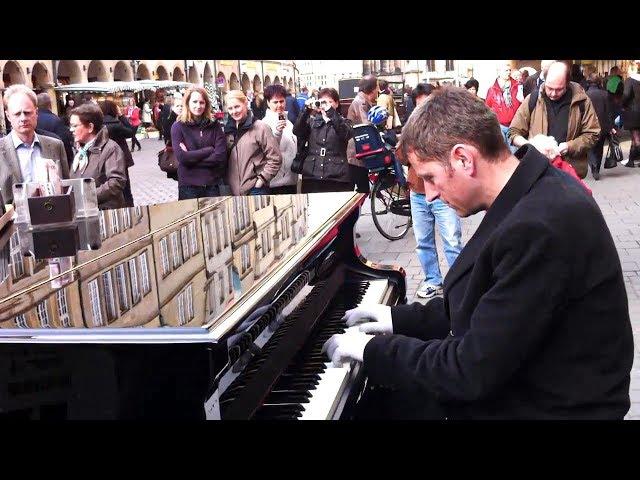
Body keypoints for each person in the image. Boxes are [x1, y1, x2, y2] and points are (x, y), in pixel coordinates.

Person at [322, 86, 633, 420]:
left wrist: (373, 351)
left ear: (463, 158)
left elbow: (470, 370)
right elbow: (484, 304)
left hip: (554, 406)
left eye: (429, 177)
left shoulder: (541, 224)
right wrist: (395, 319)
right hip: (533, 383)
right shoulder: (530, 191)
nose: (427, 196)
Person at [403, 83, 463, 299]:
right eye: (419, 106)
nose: (423, 111)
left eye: (427, 104)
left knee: (452, 239)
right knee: (423, 241)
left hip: (443, 191)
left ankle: (459, 283)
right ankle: (432, 280)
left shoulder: (447, 129)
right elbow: (400, 156)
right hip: (417, 193)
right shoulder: (409, 129)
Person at [509, 61, 601, 179]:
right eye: (549, 88)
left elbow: (593, 133)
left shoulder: (582, 101)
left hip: (570, 174)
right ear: (544, 80)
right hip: (538, 173)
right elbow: (513, 132)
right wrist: (531, 146)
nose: (553, 93)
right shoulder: (532, 99)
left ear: (567, 83)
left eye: (559, 89)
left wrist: (570, 146)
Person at [1, 85, 69, 204]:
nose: (23, 118)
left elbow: (67, 188)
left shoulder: (56, 145)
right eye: (17, 114)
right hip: (13, 220)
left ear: (36, 113)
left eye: (27, 113)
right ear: (8, 116)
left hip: (53, 217)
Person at [170, 87, 227, 200]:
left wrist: (191, 158)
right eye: (194, 102)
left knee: (212, 217)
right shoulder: (178, 126)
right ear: (187, 103)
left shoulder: (214, 125)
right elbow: (182, 158)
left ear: (206, 104)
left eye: (202, 102)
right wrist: (209, 150)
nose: (198, 106)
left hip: (211, 184)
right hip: (188, 186)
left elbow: (220, 157)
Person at [68, 102, 127, 210]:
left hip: (105, 214)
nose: (71, 130)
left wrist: (87, 197)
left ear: (90, 127)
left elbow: (116, 182)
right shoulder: (80, 150)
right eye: (71, 126)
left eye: (75, 126)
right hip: (83, 212)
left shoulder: (110, 148)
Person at [293, 87, 353, 193]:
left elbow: (345, 133)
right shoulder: (312, 122)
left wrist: (330, 112)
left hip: (337, 176)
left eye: (330, 102)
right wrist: (306, 110)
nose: (326, 105)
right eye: (323, 102)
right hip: (312, 175)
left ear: (337, 103)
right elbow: (298, 131)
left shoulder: (345, 122)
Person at [223, 90, 282, 195]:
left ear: (245, 103)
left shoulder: (260, 127)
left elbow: (275, 157)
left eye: (237, 106)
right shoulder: (228, 131)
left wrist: (262, 180)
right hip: (233, 190)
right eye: (230, 108)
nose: (234, 111)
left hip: (255, 189)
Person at [261, 84, 298, 194]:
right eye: (275, 102)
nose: (279, 105)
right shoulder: (264, 123)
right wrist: (277, 133)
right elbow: (269, 150)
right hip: (276, 182)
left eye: (282, 101)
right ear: (268, 103)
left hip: (290, 179)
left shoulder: (289, 123)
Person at [99, 100, 136, 205]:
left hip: (103, 159)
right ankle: (128, 207)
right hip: (120, 158)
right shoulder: (116, 124)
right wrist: (121, 116)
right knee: (125, 188)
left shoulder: (98, 125)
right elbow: (131, 132)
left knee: (107, 184)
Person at [347, 75, 379, 193]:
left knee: (361, 187)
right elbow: (366, 125)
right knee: (360, 189)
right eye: (377, 87)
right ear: (372, 88)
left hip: (358, 150)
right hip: (356, 151)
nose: (378, 90)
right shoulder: (361, 102)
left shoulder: (363, 101)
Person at [585, 74, 617, 179]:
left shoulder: (585, 95)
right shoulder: (605, 94)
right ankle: (596, 168)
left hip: (589, 126)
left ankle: (593, 165)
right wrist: (611, 126)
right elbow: (609, 111)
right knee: (599, 148)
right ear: (599, 82)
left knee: (590, 148)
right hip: (603, 126)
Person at [485, 63, 521, 150]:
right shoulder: (492, 89)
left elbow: (522, 104)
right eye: (506, 70)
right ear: (499, 72)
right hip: (499, 125)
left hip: (514, 125)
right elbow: (487, 107)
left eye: (509, 70)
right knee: (502, 152)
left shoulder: (517, 86)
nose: (508, 72)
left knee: (514, 152)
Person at [36, 92, 75, 168]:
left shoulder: (33, 120)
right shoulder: (56, 120)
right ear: (50, 104)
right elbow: (65, 142)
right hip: (54, 162)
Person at [622, 60, 640, 166]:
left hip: (633, 113)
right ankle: (631, 160)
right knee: (634, 137)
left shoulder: (630, 81)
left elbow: (626, 95)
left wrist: (622, 105)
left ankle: (631, 160)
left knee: (636, 138)